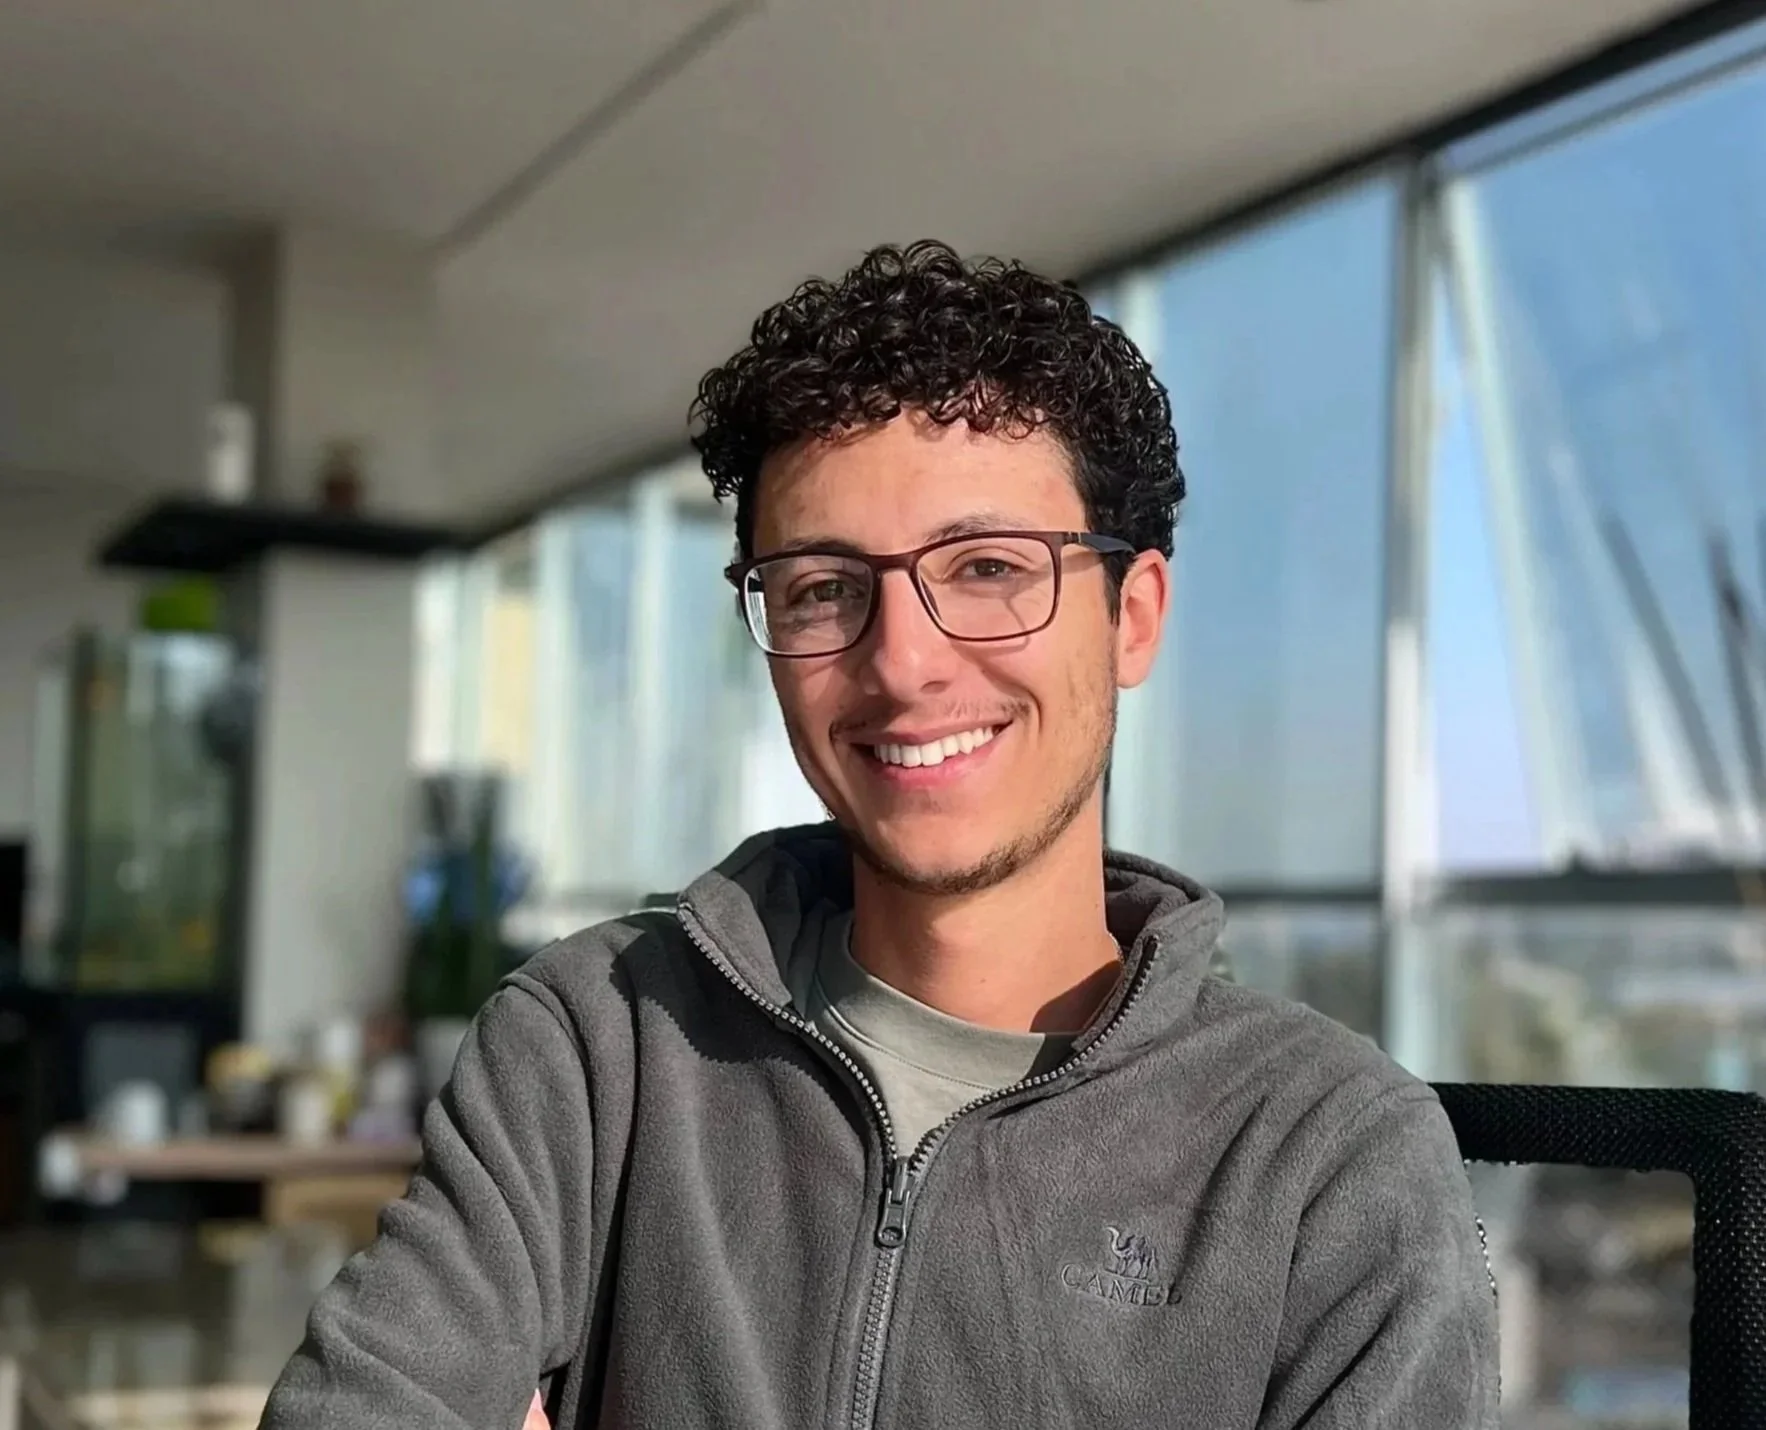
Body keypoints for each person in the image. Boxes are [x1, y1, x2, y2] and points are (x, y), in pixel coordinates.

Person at [260, 241, 1499, 1429]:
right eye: (821, 587)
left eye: (988, 568)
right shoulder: (598, 1046)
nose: (902, 662)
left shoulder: (1323, 1157)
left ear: (1133, 615)